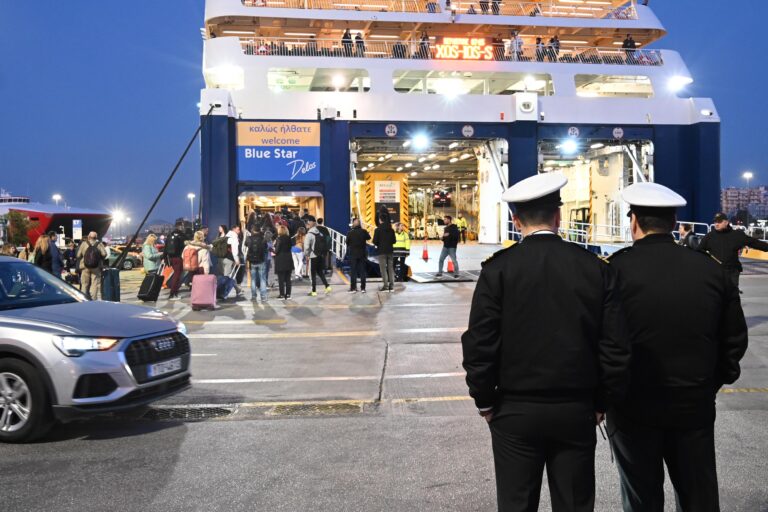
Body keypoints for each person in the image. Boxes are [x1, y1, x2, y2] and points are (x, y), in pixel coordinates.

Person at [462, 173, 630, 512]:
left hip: (514, 409)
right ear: (558, 216)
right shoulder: (593, 267)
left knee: (516, 503)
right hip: (576, 408)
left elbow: (480, 342)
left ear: (516, 221)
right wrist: (601, 401)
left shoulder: (498, 270)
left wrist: (485, 400)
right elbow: (615, 345)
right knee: (574, 502)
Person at [608, 183, 748, 512]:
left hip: (633, 406)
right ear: (673, 223)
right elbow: (734, 338)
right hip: (693, 402)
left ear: (633, 221)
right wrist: (712, 382)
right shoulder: (710, 270)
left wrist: (610, 391)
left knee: (641, 498)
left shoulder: (613, 270)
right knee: (698, 495)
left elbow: (604, 339)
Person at [698, 212, 768, 292]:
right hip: (715, 272)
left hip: (732, 272)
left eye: (719, 222)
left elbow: (754, 243)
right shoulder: (709, 236)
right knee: (716, 295)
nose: (716, 224)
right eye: (715, 222)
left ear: (726, 222)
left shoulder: (736, 235)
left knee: (732, 296)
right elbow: (699, 251)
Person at [304, 216, 331, 296]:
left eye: (308, 222)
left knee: (312, 274)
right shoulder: (319, 233)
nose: (307, 224)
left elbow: (306, 247)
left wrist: (306, 255)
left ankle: (314, 291)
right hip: (320, 255)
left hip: (313, 256)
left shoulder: (309, 234)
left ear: (310, 223)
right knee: (320, 272)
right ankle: (327, 286)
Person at [76, 231, 108, 300]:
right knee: (95, 284)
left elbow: (78, 255)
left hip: (85, 266)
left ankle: (84, 299)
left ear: (88, 237)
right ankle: (93, 299)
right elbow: (104, 254)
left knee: (84, 284)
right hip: (96, 267)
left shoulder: (84, 244)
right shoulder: (99, 244)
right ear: (96, 237)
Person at [372, 210, 396, 292]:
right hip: (390, 251)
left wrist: (379, 243)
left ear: (380, 220)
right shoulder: (391, 230)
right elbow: (394, 241)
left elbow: (375, 241)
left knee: (383, 269)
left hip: (381, 252)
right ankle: (391, 286)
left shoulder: (378, 230)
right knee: (390, 269)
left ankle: (385, 286)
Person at [164, 222, 188, 300]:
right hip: (178, 258)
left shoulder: (170, 235)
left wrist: (166, 259)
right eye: (183, 226)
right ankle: (172, 294)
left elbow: (165, 248)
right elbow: (185, 246)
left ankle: (174, 293)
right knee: (177, 276)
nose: (183, 227)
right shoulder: (182, 236)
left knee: (176, 275)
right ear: (180, 226)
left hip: (171, 258)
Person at [346, 218, 371, 293]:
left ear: (353, 224)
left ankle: (353, 288)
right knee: (362, 271)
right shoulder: (364, 231)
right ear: (360, 224)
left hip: (353, 254)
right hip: (362, 254)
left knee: (353, 271)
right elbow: (369, 237)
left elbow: (347, 242)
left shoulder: (350, 232)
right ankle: (363, 288)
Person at [221, 224, 244, 297]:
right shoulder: (234, 237)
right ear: (233, 229)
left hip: (224, 259)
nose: (239, 231)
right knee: (227, 277)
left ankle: (238, 290)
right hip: (230, 259)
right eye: (238, 229)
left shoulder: (227, 235)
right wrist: (237, 260)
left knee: (232, 275)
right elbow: (234, 250)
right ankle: (224, 293)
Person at [247, 228, 269, 303]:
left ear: (252, 231)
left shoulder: (249, 238)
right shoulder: (263, 239)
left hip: (252, 261)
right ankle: (263, 297)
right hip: (261, 261)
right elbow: (266, 249)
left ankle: (253, 296)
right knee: (262, 279)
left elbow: (246, 245)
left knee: (253, 279)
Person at [274, 225, 294, 300]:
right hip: (288, 259)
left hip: (280, 260)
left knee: (281, 279)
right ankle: (288, 295)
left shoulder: (279, 239)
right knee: (288, 278)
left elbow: (276, 251)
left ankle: (282, 295)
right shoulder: (289, 238)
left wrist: (272, 249)